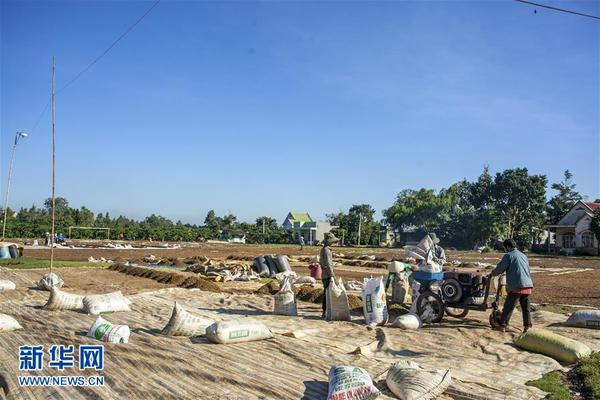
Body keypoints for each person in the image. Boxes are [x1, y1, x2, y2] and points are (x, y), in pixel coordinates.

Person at [490, 238, 533, 333]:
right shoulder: (523, 255)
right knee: (526, 308)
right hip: (528, 285)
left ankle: (502, 326)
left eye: (505, 247)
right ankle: (527, 327)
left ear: (508, 247)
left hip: (517, 286)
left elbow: (500, 268)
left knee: (508, 307)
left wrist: (492, 273)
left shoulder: (508, 256)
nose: (505, 249)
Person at [320, 232, 339, 318]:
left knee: (326, 293)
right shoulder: (326, 250)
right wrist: (333, 276)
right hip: (327, 275)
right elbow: (328, 264)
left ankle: (325, 312)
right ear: (329, 241)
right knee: (327, 294)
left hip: (324, 274)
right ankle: (325, 312)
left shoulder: (324, 249)